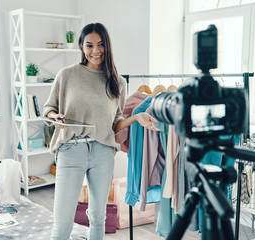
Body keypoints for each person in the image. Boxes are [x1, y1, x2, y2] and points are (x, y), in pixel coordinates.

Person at [43, 22, 159, 240]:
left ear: (107, 46)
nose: (96, 50)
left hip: (103, 153)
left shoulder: (118, 82)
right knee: (62, 221)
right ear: (81, 46)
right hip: (71, 150)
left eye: (101, 44)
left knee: (98, 217)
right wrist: (54, 117)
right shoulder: (67, 75)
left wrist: (135, 117)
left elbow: (115, 123)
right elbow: (48, 108)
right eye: (89, 45)